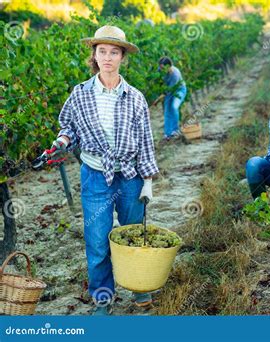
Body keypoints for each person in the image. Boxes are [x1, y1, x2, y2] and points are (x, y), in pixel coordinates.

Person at [51, 25, 159, 315]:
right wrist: (62, 140)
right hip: (95, 175)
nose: (108, 57)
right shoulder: (80, 94)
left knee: (134, 233)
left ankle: (140, 287)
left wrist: (147, 181)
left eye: (114, 52)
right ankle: (103, 298)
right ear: (94, 56)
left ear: (122, 57)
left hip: (130, 177)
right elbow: (68, 126)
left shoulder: (135, 97)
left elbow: (146, 141)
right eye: (102, 52)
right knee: (98, 241)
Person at [158, 56, 187, 141]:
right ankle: (167, 133)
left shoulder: (175, 74)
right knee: (167, 110)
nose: (161, 69)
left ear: (169, 66)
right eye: (160, 67)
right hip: (168, 90)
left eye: (163, 68)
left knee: (174, 107)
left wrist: (163, 95)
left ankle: (175, 130)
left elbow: (170, 89)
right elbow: (159, 81)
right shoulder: (160, 70)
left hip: (179, 90)